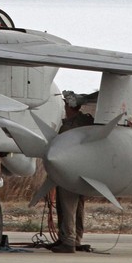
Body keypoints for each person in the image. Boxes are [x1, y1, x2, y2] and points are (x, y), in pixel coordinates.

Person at [52, 90, 95, 254]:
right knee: (78, 207)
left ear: (69, 106)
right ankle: (75, 238)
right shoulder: (87, 122)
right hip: (84, 171)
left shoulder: (70, 126)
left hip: (69, 172)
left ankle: (68, 240)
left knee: (68, 206)